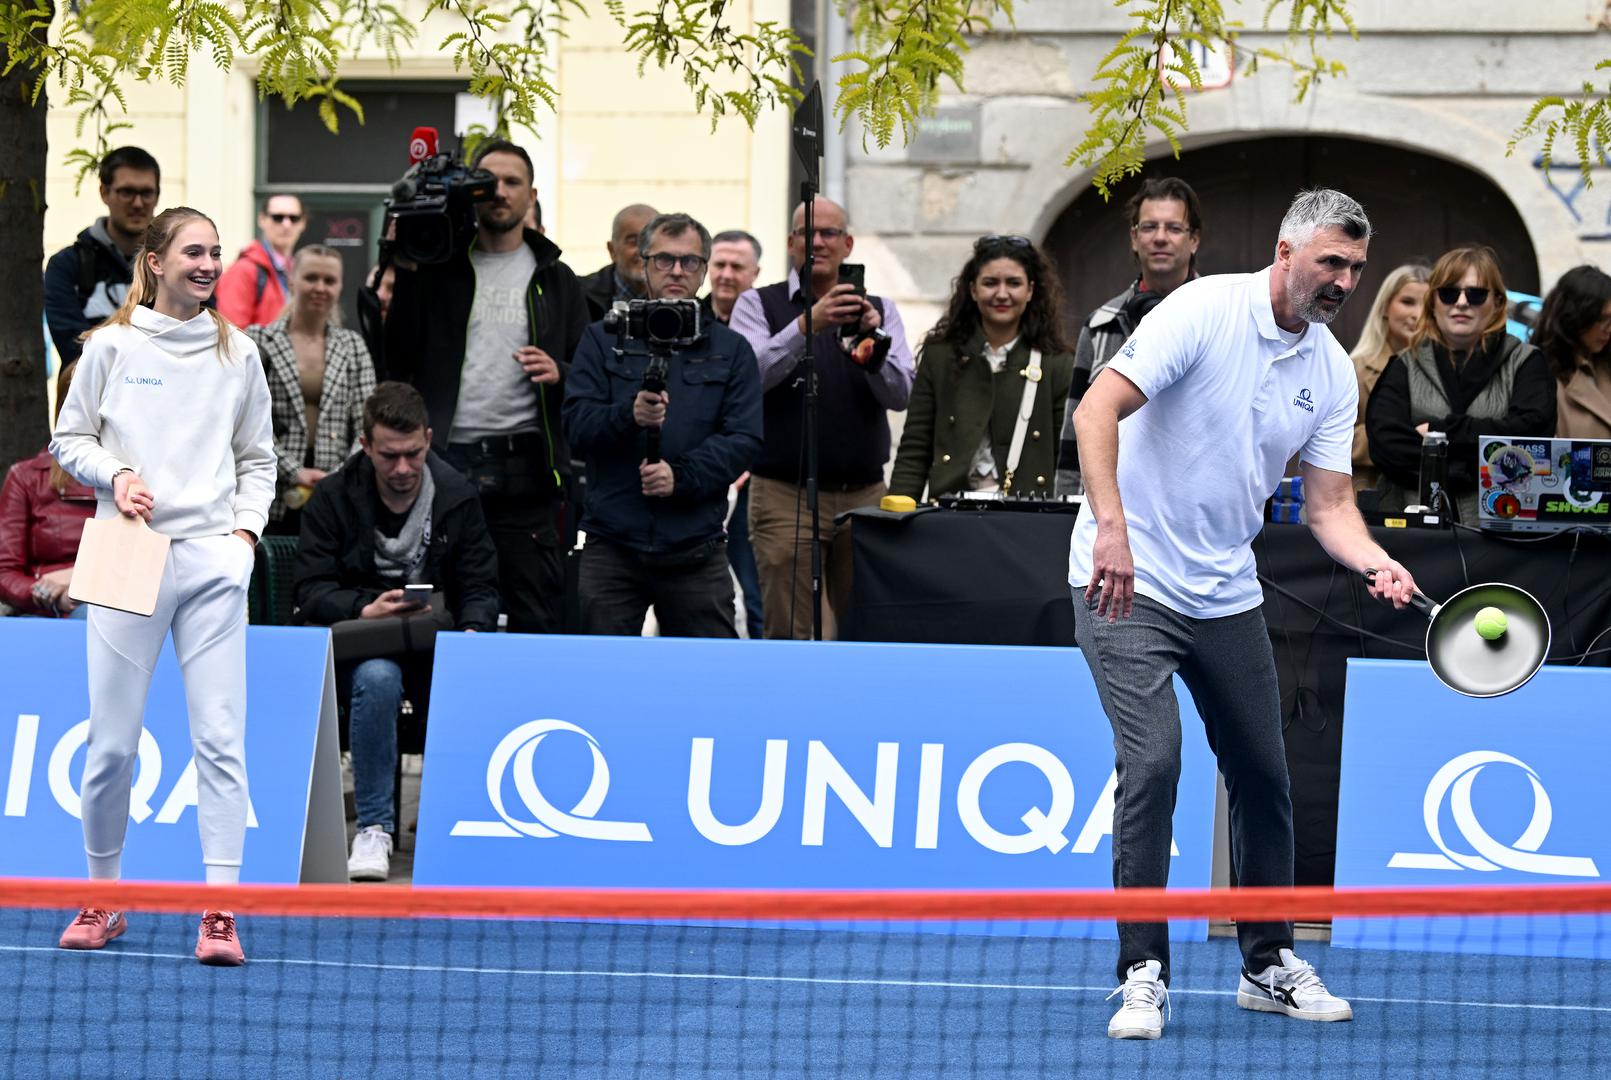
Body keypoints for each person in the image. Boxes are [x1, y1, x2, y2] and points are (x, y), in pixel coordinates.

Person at [1070, 189, 1418, 1040]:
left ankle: (1267, 962)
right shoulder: (1201, 310)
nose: (1343, 281)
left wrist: (1374, 560)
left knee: (1263, 774)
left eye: (1355, 268)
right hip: (1126, 580)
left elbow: (1329, 504)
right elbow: (1095, 408)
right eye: (1330, 262)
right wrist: (1111, 530)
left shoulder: (1329, 371)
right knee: (1153, 762)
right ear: (1285, 251)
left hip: (1225, 591)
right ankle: (1142, 972)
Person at [49, 206, 276, 965]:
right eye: (193, 252)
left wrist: (243, 538)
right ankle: (103, 898)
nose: (208, 264)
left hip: (213, 562)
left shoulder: (239, 353)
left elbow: (259, 459)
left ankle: (220, 912)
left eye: (215, 252)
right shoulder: (108, 347)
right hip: (125, 551)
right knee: (111, 746)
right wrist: (115, 474)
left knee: (220, 739)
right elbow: (69, 439)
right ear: (155, 262)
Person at [293, 382, 499, 881]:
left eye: (413, 454)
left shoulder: (456, 494)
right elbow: (309, 590)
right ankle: (374, 828)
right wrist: (365, 608)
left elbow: (480, 584)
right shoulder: (334, 496)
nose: (403, 468)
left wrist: (473, 632)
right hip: (358, 647)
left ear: (428, 439)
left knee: (469, 674)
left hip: (436, 644)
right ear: (366, 445)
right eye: (389, 456)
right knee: (378, 677)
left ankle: (456, 822)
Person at [385, 138, 590, 633]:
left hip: (528, 468)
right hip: (446, 461)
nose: (499, 191)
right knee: (444, 609)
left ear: (531, 195)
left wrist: (560, 372)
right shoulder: (438, 268)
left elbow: (591, 371)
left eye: (512, 182)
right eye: (488, 181)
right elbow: (397, 355)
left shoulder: (557, 278)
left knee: (532, 613)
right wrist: (404, 262)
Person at [563, 213, 763, 638]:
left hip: (695, 546)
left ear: (703, 269)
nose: (676, 271)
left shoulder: (731, 349)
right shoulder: (602, 339)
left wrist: (682, 477)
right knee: (602, 670)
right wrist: (628, 415)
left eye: (689, 261)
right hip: (612, 543)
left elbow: (744, 439)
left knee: (705, 671)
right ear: (644, 263)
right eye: (664, 260)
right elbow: (575, 426)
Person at [730, 197, 913, 639]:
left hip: (864, 494)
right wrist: (805, 326)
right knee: (787, 630)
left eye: (828, 233)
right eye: (806, 232)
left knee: (863, 627)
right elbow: (747, 378)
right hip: (782, 492)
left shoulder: (882, 309)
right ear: (790, 242)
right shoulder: (757, 304)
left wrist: (872, 344)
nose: (817, 242)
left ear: (847, 244)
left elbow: (900, 395)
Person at [1365, 246, 1557, 522]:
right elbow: (1387, 446)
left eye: (1476, 294)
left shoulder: (1526, 362)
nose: (1462, 302)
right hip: (1415, 529)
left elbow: (1531, 438)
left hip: (1502, 527)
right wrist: (1473, 468)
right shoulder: (1404, 364)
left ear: (1498, 303)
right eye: (1449, 293)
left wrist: (1440, 432)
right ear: (1433, 302)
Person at [891, 235, 1074, 500]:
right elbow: (915, 448)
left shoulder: (1057, 363)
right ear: (973, 290)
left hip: (1028, 514)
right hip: (952, 512)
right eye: (990, 283)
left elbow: (1067, 457)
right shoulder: (940, 357)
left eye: (1014, 283)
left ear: (1030, 291)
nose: (1002, 294)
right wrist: (896, 512)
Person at [1055, 177, 1203, 494]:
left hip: (1192, 504)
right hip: (1111, 503)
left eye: (1173, 228)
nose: (1160, 238)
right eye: (1149, 227)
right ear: (1134, 238)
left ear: (1194, 240)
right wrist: (1065, 503)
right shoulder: (1100, 325)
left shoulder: (1220, 318)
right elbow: (1074, 431)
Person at [246, 245, 377, 534]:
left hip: (337, 495)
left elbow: (367, 426)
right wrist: (293, 471)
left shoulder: (353, 347)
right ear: (292, 279)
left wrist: (338, 476)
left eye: (329, 281)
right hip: (272, 493)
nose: (320, 287)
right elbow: (247, 424)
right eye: (311, 278)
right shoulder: (258, 341)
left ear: (340, 286)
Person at [701, 228, 765, 635]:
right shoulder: (688, 320)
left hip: (753, 478)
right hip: (699, 472)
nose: (726, 274)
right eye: (719, 264)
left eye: (736, 266)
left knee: (756, 589)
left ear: (755, 273)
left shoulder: (768, 325)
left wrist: (746, 463)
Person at [43, 147, 162, 364]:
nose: (138, 203)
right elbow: (76, 355)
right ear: (104, 193)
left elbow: (198, 338)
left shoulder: (180, 265)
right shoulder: (66, 266)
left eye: (146, 193)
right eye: (127, 192)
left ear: (157, 195)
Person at [0, 361, 96, 617]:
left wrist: (79, 577)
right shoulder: (27, 477)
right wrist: (52, 596)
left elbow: (153, 564)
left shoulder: (140, 477)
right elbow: (5, 572)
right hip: (46, 612)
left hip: (116, 606)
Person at [1347, 264, 1430, 492]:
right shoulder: (1354, 369)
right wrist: (1403, 437)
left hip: (1424, 496)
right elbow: (1331, 439)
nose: (1418, 314)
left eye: (1427, 305)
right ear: (1385, 307)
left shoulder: (1444, 373)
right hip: (1371, 494)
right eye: (1408, 302)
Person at [1532, 264, 1611, 439]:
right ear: (1576, 316)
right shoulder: (1541, 379)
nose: (1608, 329)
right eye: (1602, 319)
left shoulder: (1604, 366)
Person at [215, 194, 307, 328]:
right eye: (278, 217)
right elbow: (232, 333)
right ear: (262, 220)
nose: (286, 224)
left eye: (294, 218)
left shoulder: (297, 269)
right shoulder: (243, 270)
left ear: (303, 223)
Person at [580, 203, 659, 321]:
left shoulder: (679, 294)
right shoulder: (580, 296)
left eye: (650, 242)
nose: (643, 251)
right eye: (633, 242)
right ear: (612, 250)